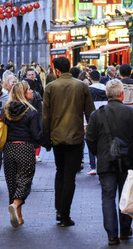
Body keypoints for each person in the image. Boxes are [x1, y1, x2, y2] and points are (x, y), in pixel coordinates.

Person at [85, 79, 133, 245]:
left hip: (106, 162)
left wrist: (99, 153)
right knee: (126, 196)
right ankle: (125, 230)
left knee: (108, 197)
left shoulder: (96, 114)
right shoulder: (132, 113)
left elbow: (90, 138)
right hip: (127, 161)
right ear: (122, 94)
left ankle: (112, 234)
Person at [43, 56, 96, 227]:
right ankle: (65, 213)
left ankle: (59, 209)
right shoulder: (81, 86)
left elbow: (46, 117)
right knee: (70, 176)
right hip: (75, 136)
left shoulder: (50, 87)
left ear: (56, 71)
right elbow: (90, 112)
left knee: (60, 171)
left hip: (57, 136)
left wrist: (46, 139)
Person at [3, 81, 43, 228]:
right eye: (29, 90)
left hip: (8, 149)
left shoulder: (7, 110)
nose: (32, 91)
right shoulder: (31, 112)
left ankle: (18, 216)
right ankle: (15, 203)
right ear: (23, 93)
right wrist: (47, 142)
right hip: (25, 148)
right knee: (25, 181)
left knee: (12, 183)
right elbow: (36, 134)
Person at [87, 70, 109, 175]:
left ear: (90, 78)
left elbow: (85, 107)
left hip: (92, 117)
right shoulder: (106, 88)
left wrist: (84, 123)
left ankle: (93, 166)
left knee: (91, 140)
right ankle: (102, 164)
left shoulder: (88, 90)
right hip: (105, 117)